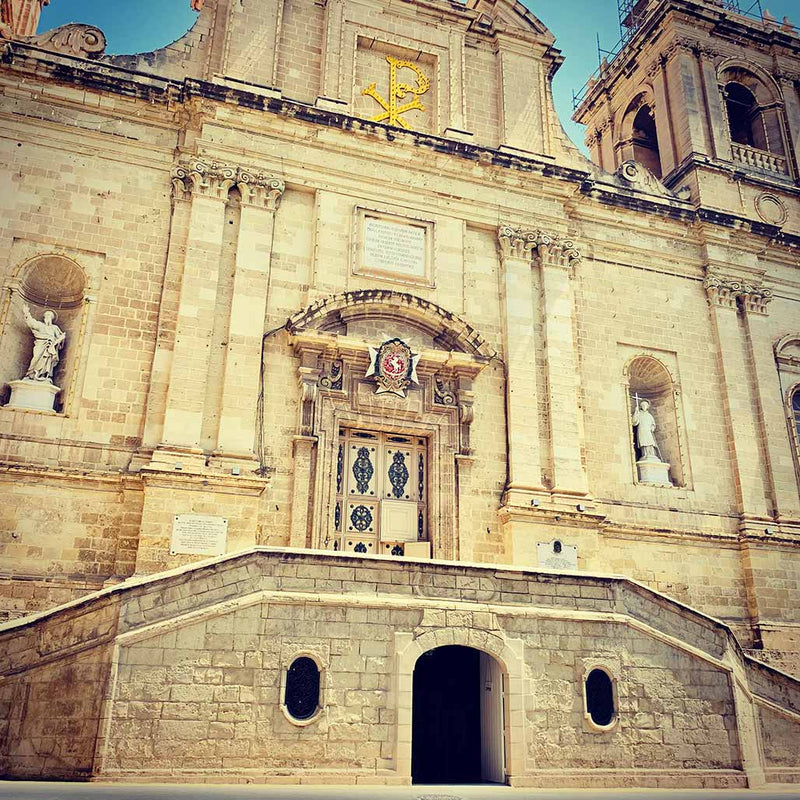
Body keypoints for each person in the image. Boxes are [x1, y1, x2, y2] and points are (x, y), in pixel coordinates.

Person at [22, 303, 66, 383]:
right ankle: (31, 374)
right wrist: (27, 313)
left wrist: (60, 339)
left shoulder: (54, 328)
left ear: (52, 319)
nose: (48, 317)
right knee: (36, 358)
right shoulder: (40, 325)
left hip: (50, 347)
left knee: (47, 361)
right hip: (40, 344)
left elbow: (60, 340)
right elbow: (31, 323)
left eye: (50, 316)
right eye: (47, 316)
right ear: (44, 318)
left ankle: (44, 375)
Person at [632, 397, 662, 462]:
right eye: (642, 405)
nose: (644, 406)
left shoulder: (649, 415)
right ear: (640, 406)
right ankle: (645, 454)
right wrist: (636, 412)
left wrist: (652, 428)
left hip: (648, 431)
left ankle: (652, 455)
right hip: (642, 431)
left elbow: (653, 423)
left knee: (650, 443)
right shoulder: (639, 414)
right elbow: (634, 422)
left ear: (648, 406)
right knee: (644, 443)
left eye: (645, 405)